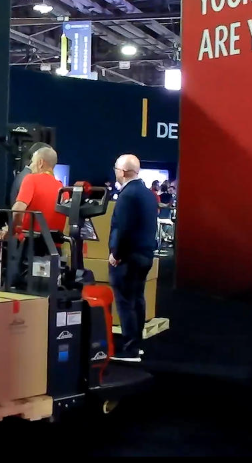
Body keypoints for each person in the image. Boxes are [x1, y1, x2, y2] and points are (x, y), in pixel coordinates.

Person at [108, 154, 158, 363]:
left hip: (128, 258)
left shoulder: (127, 195)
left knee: (125, 302)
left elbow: (124, 229)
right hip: (145, 255)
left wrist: (116, 254)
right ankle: (136, 345)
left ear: (122, 171)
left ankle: (130, 349)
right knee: (137, 299)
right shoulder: (147, 194)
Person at [8, 147, 67, 285]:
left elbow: (18, 209)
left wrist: (14, 229)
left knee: (20, 289)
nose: (31, 166)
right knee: (47, 292)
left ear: (40, 162)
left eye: (33, 162)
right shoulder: (63, 189)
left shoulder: (31, 179)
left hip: (31, 248)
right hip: (54, 250)